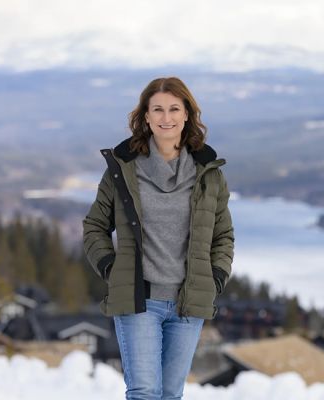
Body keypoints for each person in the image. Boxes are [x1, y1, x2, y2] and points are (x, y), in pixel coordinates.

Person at [82, 76, 234, 400]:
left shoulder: (209, 174)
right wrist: (111, 268)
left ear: (187, 115)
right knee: (145, 392)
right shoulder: (122, 170)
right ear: (146, 117)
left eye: (174, 109)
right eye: (158, 109)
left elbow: (223, 234)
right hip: (139, 300)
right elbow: (95, 225)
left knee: (170, 393)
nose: (167, 117)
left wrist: (216, 276)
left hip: (188, 301)